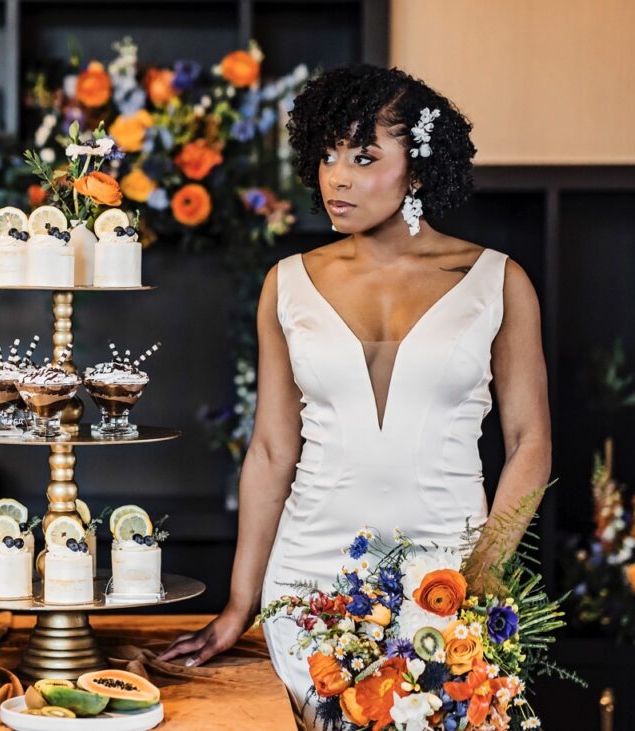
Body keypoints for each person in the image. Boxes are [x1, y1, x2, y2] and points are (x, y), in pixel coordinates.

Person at [158, 64, 551, 729]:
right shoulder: (286, 284)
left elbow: (529, 443)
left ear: (418, 167)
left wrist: (479, 583)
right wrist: (239, 604)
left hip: (448, 583)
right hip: (306, 586)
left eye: (363, 156)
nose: (335, 176)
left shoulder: (498, 282)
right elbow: (272, 450)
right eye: (327, 154)